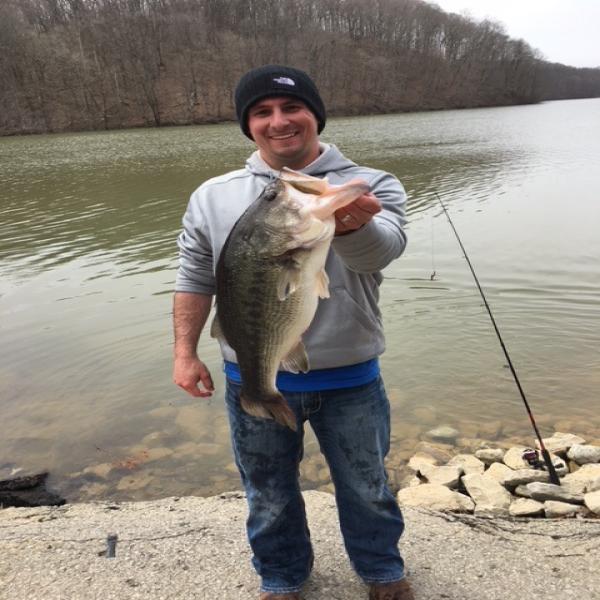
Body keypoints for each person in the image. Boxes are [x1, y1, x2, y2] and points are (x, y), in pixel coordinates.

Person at [173, 65, 412, 600]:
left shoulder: (370, 184)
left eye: (292, 108)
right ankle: (281, 578)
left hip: (350, 379)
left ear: (315, 115)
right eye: (262, 112)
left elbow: (380, 255)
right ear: (248, 125)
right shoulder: (212, 196)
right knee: (267, 492)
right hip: (250, 374)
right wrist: (185, 352)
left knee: (368, 487)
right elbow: (193, 277)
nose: (278, 121)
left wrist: (353, 225)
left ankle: (382, 572)